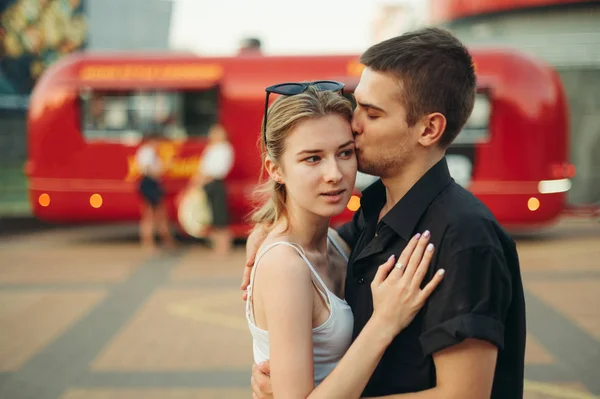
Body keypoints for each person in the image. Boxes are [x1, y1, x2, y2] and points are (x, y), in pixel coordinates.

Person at [242, 27, 526, 398]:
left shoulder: (463, 236)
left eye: (372, 114)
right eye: (357, 104)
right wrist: (266, 234)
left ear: (429, 128)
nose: (354, 123)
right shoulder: (373, 213)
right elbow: (302, 246)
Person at [244, 83, 445, 398]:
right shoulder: (285, 267)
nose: (334, 173)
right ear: (275, 169)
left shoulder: (338, 243)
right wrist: (384, 322)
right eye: (313, 159)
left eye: (345, 153)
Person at [189, 124, 235, 255]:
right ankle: (216, 246)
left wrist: (203, 178)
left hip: (216, 183)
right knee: (210, 215)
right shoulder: (211, 148)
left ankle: (224, 247)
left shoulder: (225, 148)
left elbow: (217, 170)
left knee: (220, 215)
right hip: (207, 184)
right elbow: (203, 168)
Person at [135, 129, 175, 250]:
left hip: (152, 183)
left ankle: (163, 239)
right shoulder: (147, 152)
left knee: (158, 212)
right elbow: (147, 169)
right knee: (150, 213)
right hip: (149, 183)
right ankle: (149, 241)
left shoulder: (151, 152)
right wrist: (159, 171)